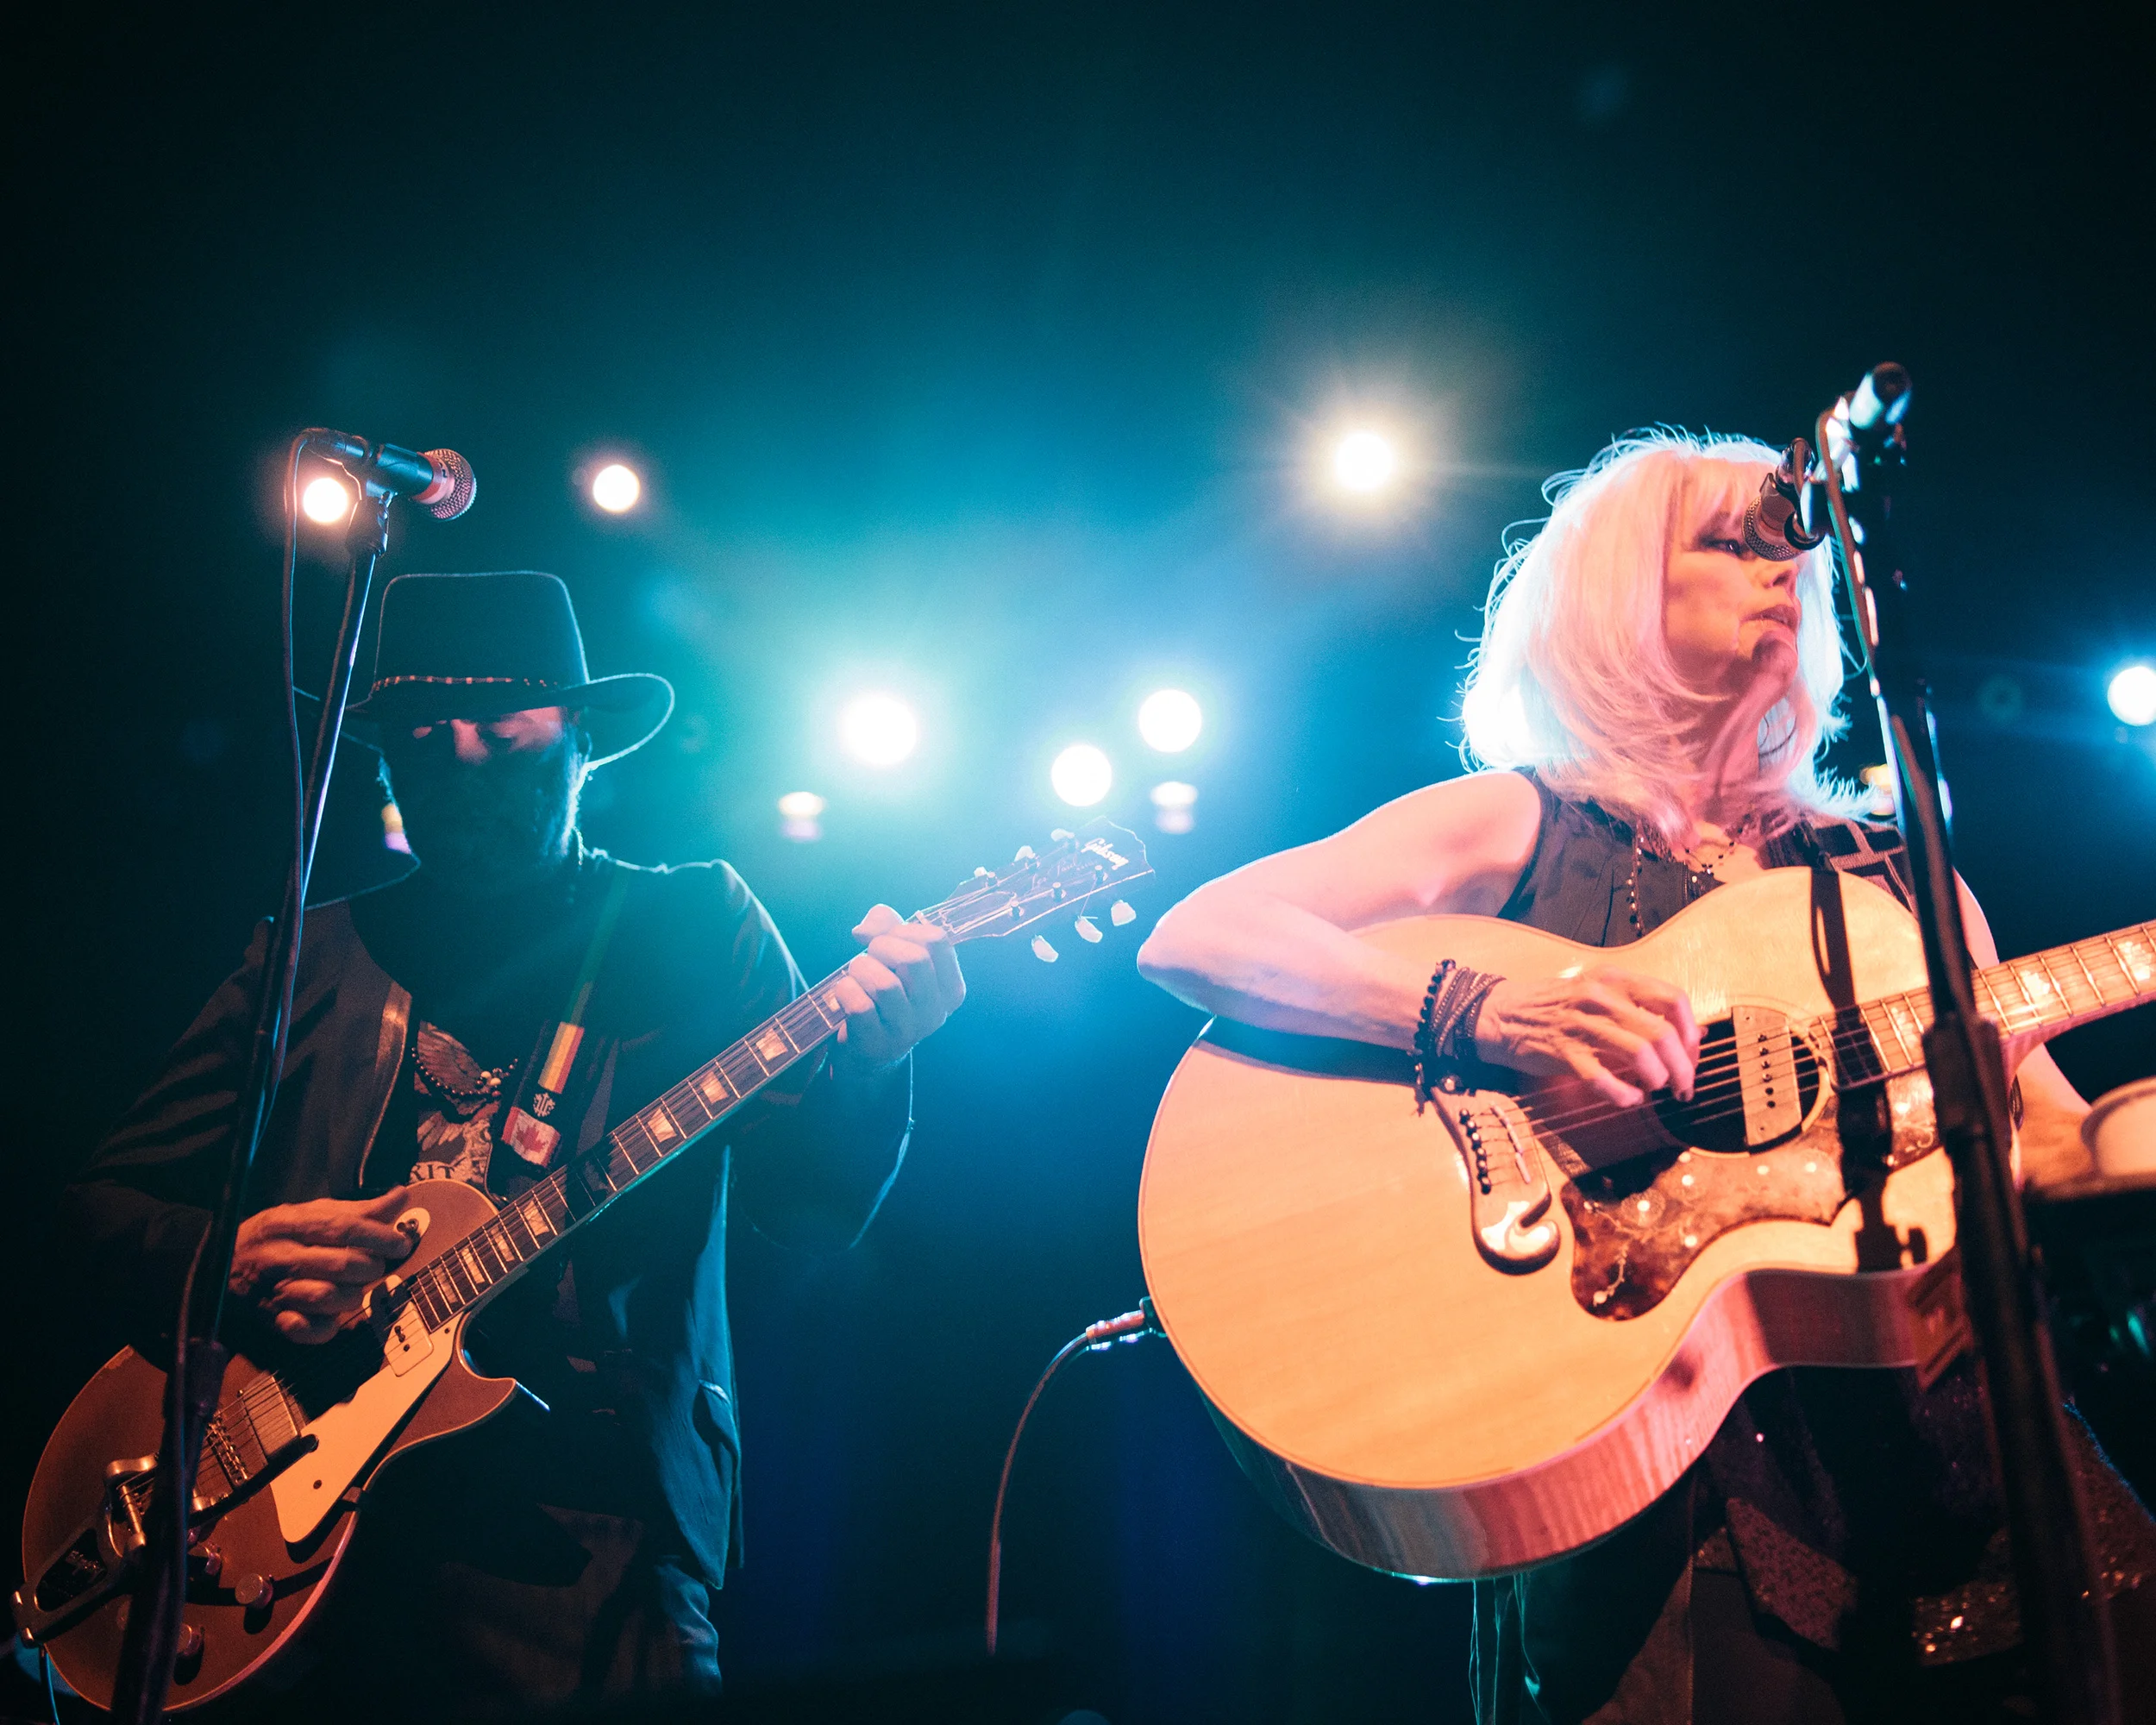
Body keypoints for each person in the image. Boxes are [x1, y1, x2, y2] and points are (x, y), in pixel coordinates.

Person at [1136, 433, 2154, 1724]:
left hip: (1973, 1479)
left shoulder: (1902, 879)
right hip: (1672, 1497)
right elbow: (1201, 935)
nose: (1781, 571)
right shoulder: (1525, 821)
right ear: (1616, 593)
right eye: (1729, 541)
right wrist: (1485, 1009)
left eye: (1790, 546)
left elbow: (2057, 1138)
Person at [62, 570, 966, 1713]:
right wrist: (235, 1256)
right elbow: (93, 1210)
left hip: (591, 1526)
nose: (469, 767)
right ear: (382, 758)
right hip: (293, 1526)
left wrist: (877, 1062)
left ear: (581, 738)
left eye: (506, 732)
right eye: (427, 739)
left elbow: (816, 1214)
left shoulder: (693, 924)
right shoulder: (311, 954)